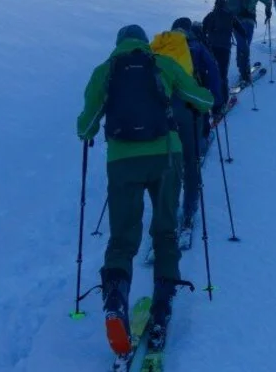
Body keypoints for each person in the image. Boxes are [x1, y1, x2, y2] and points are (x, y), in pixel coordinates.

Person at [76, 24, 213, 357]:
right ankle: (163, 308)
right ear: (143, 40)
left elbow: (87, 126)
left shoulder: (104, 71)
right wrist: (202, 98)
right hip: (166, 156)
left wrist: (93, 126)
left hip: (123, 162)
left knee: (122, 238)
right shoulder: (161, 63)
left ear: (118, 43)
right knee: (165, 232)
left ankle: (114, 301)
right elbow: (201, 100)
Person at [166, 18, 222, 233]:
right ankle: (189, 210)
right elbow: (214, 74)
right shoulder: (197, 46)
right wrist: (216, 104)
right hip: (191, 108)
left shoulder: (160, 48)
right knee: (191, 161)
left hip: (164, 112)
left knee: (169, 163)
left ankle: (167, 211)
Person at [224, 0, 272, 87]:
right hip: (248, 22)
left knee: (241, 45)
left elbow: (227, 7)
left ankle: (242, 69)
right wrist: (268, 12)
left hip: (235, 23)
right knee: (245, 45)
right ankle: (245, 73)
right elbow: (268, 1)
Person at [201, 0, 247, 109]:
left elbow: (202, 31)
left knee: (212, 72)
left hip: (211, 48)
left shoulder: (210, 16)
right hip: (224, 48)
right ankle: (224, 100)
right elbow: (242, 31)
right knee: (222, 73)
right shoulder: (230, 16)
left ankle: (213, 100)